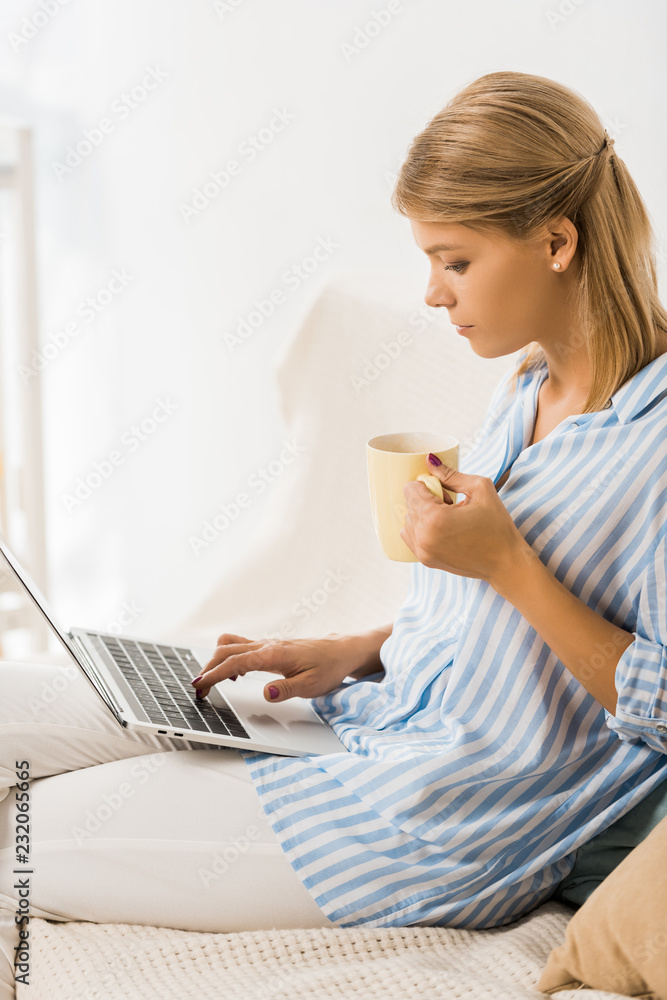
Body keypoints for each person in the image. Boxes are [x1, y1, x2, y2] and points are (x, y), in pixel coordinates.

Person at [2, 68, 667, 998]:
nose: (433, 293)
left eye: (454, 259)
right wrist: (355, 651)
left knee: (15, 841)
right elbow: (492, 641)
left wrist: (507, 563)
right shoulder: (528, 386)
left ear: (556, 240)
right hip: (363, 723)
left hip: (423, 821)